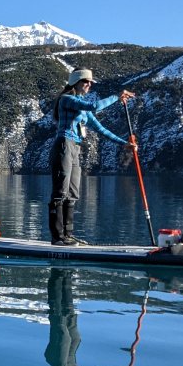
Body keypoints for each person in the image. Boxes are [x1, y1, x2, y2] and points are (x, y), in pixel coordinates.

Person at [48, 67, 135, 245]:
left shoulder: (83, 109)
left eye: (90, 82)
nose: (89, 84)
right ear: (75, 82)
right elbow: (94, 106)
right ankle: (57, 237)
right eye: (85, 81)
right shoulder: (66, 100)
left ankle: (68, 235)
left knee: (73, 192)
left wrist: (123, 143)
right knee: (60, 192)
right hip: (64, 145)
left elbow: (100, 129)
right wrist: (117, 96)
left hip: (75, 149)